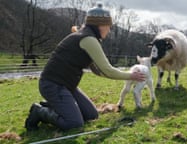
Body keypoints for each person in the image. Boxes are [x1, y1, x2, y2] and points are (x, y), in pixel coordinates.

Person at [25, 3, 145, 131]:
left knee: (92, 115)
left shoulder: (88, 37)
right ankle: (39, 111)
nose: (109, 30)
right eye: (108, 26)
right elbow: (107, 70)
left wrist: (122, 74)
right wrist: (131, 75)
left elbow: (99, 70)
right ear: (100, 25)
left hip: (67, 86)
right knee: (74, 123)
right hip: (53, 85)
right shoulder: (88, 39)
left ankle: (57, 106)